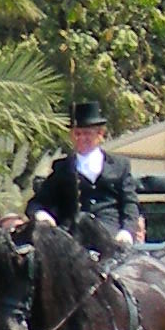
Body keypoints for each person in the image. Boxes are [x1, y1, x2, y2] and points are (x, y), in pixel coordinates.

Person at [29, 97, 141, 244]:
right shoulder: (62, 168)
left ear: (100, 134)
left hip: (111, 235)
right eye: (77, 133)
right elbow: (36, 203)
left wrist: (127, 231)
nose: (81, 138)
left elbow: (129, 203)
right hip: (72, 237)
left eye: (87, 133)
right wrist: (41, 214)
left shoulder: (120, 165)